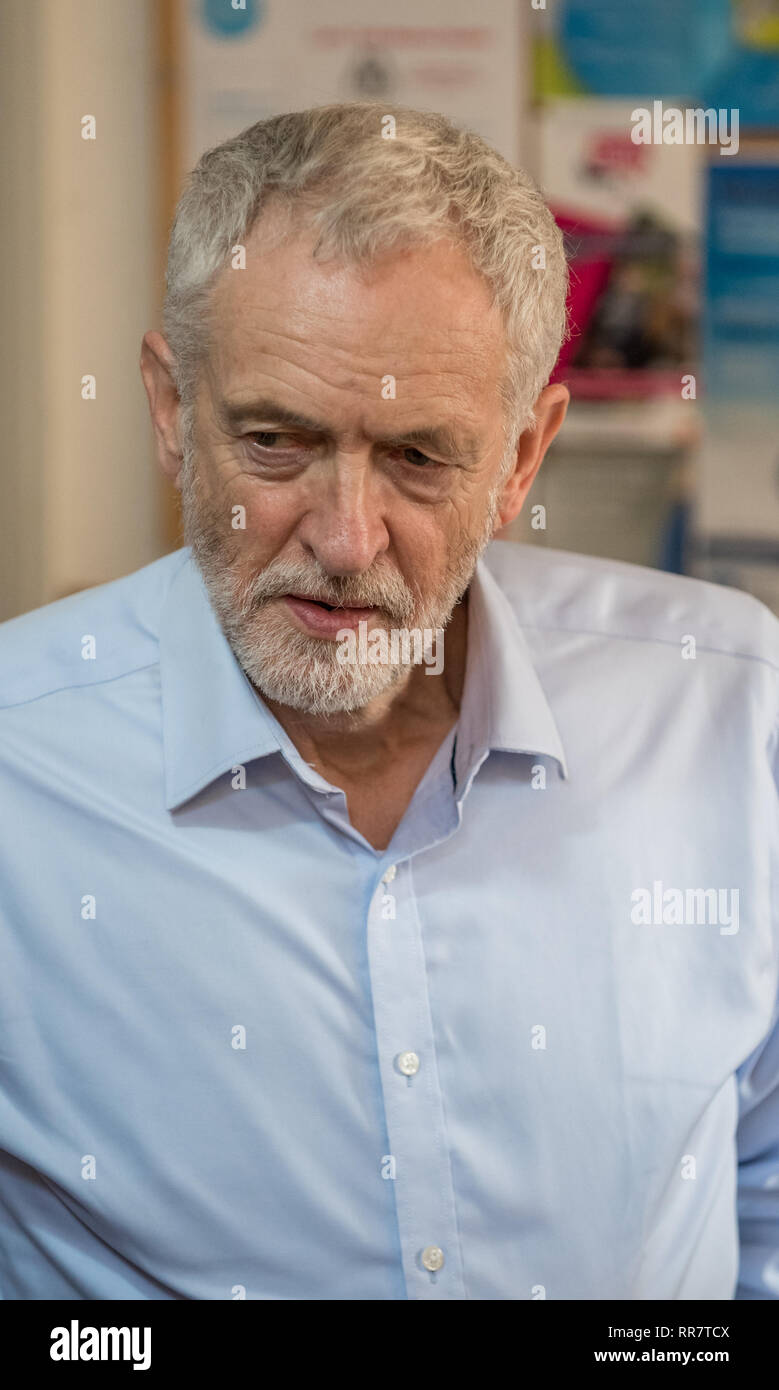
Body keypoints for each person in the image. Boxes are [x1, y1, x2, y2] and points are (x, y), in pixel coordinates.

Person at [0, 102, 777, 1301]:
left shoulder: (724, 712)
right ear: (168, 410)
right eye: (273, 440)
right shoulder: (20, 768)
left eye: (420, 457)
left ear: (522, 457)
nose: (346, 537)